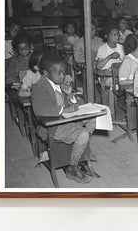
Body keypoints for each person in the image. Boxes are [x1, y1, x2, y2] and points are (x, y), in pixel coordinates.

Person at [31, 53, 96, 184]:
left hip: (66, 120)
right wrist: (64, 109)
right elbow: (39, 110)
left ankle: (81, 148)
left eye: (63, 72)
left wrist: (69, 95)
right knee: (83, 133)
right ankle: (72, 167)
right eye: (58, 73)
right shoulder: (39, 87)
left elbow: (70, 103)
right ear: (46, 73)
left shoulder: (59, 82)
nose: (62, 76)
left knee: (93, 119)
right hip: (52, 127)